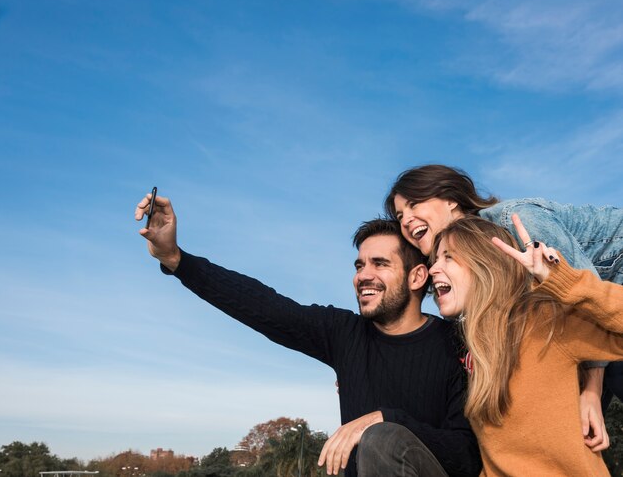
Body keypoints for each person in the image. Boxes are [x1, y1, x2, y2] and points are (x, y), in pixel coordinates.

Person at [135, 192, 481, 477]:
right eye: (359, 266)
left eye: (380, 264)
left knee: (381, 439)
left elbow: (465, 454)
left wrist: (385, 419)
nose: (363, 275)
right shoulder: (344, 333)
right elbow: (262, 306)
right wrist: (175, 257)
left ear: (418, 277)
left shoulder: (458, 345)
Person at [384, 163, 623, 449]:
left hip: (609, 291)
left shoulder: (515, 222)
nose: (407, 220)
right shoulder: (461, 266)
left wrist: (593, 392)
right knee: (573, 427)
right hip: (595, 310)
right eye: (400, 216)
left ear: (450, 199)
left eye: (414, 205)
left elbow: (588, 293)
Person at [428, 213, 623, 476]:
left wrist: (562, 280)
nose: (433, 269)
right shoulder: (474, 349)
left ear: (485, 264)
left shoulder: (542, 320)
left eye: (448, 256)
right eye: (436, 259)